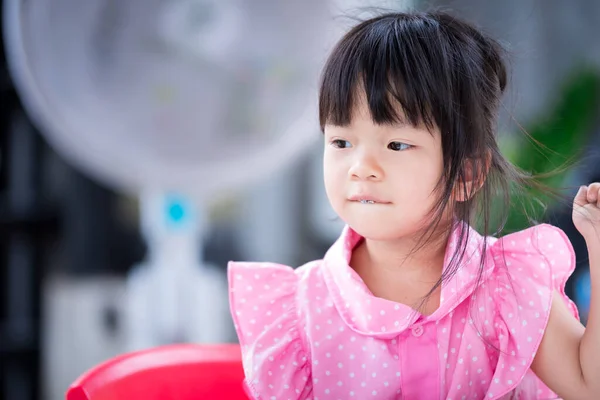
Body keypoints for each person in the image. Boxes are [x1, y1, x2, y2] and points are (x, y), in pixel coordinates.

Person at [228, 11, 599, 399]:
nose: (361, 168)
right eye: (341, 142)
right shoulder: (300, 310)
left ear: (466, 175)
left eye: (396, 145)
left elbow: (590, 386)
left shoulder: (508, 284)